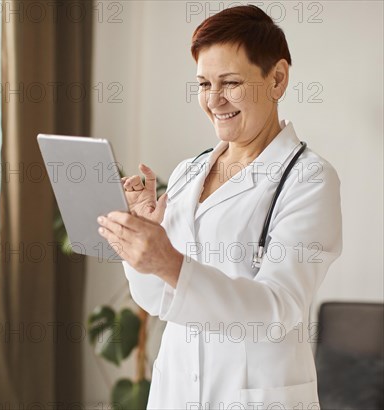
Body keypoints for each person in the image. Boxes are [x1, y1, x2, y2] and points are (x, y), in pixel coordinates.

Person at [96, 5, 342, 409]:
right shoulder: (188, 172)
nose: (214, 100)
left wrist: (171, 263)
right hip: (176, 392)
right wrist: (142, 241)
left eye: (229, 82)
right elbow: (157, 301)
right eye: (203, 83)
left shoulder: (309, 178)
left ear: (277, 79)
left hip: (252, 396)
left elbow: (279, 309)